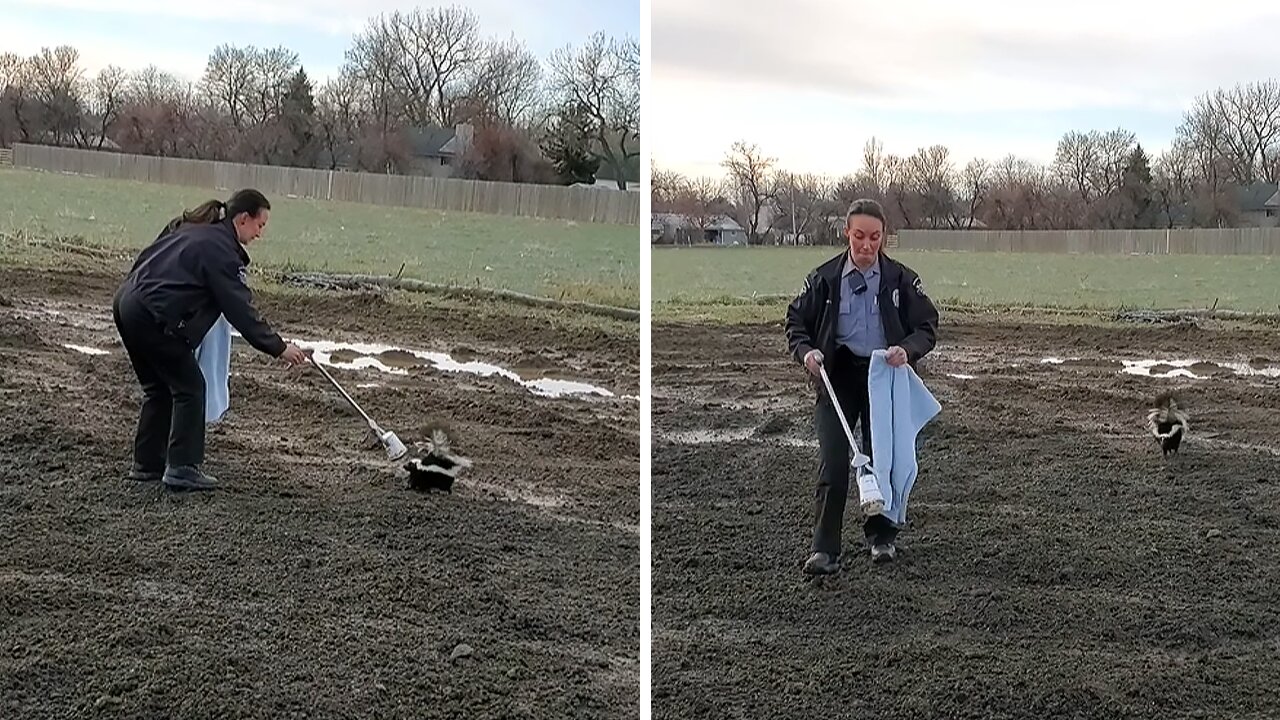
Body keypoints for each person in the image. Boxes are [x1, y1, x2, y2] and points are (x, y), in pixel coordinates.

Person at [112, 188, 307, 491]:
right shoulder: (221, 251)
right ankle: (182, 468)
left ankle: (147, 465)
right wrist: (279, 348)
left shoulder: (194, 229)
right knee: (191, 387)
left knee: (158, 388)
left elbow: (149, 257)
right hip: (153, 315)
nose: (261, 233)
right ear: (243, 219)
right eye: (260, 224)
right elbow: (240, 309)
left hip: (127, 303)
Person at [784, 198, 939, 574]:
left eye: (874, 237)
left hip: (881, 379)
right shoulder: (823, 278)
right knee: (834, 462)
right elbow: (795, 321)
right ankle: (825, 550)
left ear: (884, 236)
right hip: (836, 378)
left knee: (881, 458)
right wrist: (806, 353)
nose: (867, 246)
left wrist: (907, 348)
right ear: (846, 234)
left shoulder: (902, 280)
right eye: (859, 237)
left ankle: (881, 538)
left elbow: (927, 326)